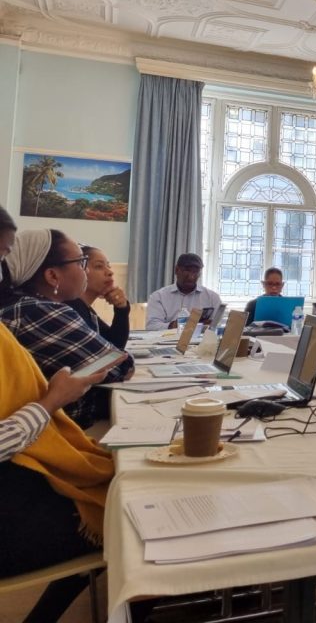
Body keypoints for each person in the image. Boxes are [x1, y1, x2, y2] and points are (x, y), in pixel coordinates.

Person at [0, 205, 116, 622]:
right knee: (136, 514)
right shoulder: (32, 310)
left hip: (18, 478)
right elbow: (117, 362)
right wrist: (51, 401)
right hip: (10, 510)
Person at [0, 229, 132, 430]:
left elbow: (113, 352)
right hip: (57, 432)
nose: (85, 270)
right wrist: (119, 359)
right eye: (81, 263)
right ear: (53, 276)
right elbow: (120, 367)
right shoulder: (39, 312)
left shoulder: (24, 305)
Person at [66, 245, 131, 349]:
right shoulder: (72, 309)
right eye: (99, 266)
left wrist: (121, 309)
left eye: (108, 266)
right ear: (80, 271)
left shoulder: (84, 307)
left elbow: (115, 344)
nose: (110, 272)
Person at [145, 253, 222, 330]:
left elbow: (219, 325)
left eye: (195, 272)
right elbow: (152, 326)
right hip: (169, 341)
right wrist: (174, 325)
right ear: (176, 270)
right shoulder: (158, 297)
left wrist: (206, 325)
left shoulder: (212, 297)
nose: (191, 276)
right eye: (187, 271)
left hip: (201, 341)